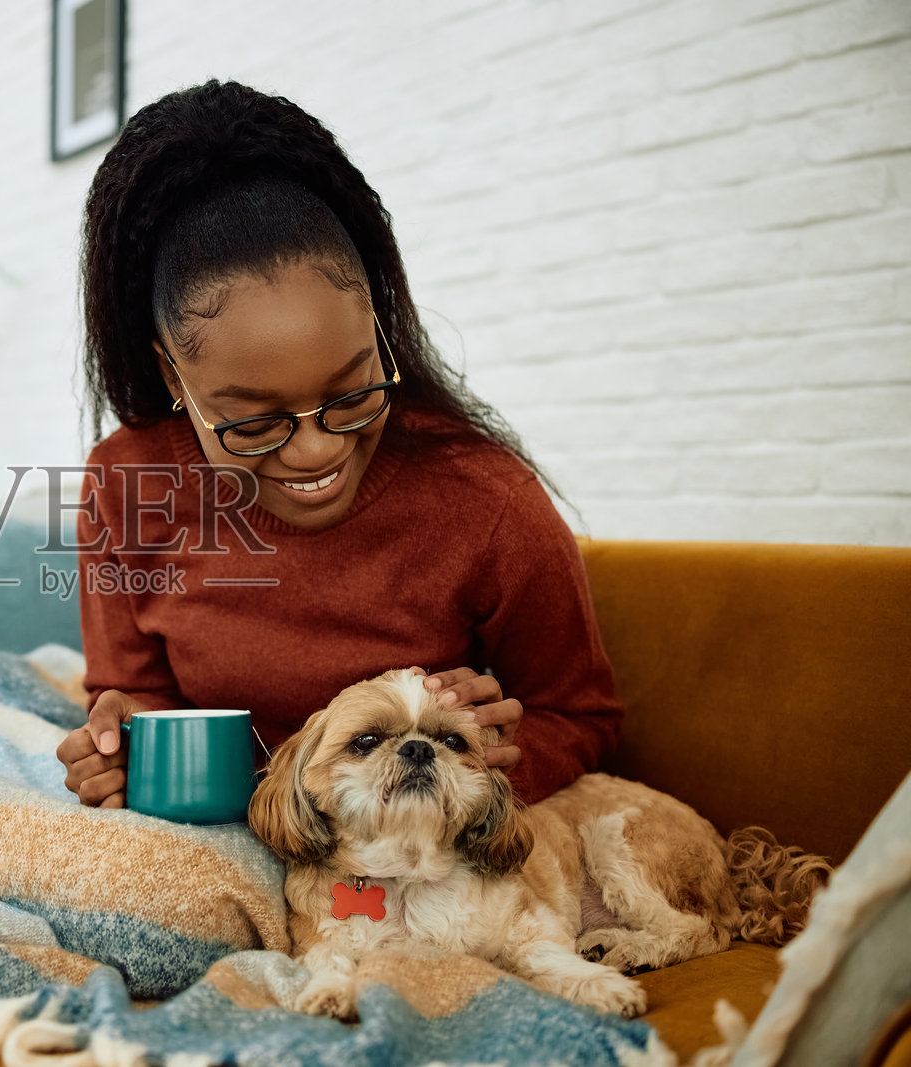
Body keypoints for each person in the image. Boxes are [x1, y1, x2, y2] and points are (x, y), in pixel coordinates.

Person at [55, 79, 624, 812]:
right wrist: (119, 748)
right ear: (175, 375)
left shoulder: (486, 501)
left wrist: (497, 756)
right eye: (255, 422)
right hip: (225, 837)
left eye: (353, 393)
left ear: (382, 333)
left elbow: (583, 715)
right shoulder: (126, 485)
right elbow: (134, 697)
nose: (316, 450)